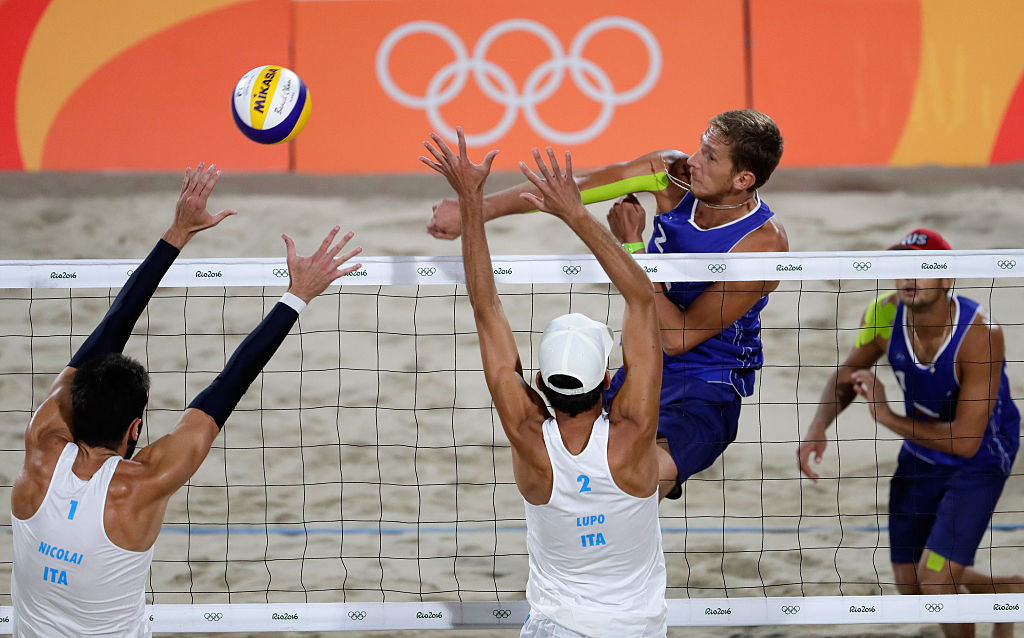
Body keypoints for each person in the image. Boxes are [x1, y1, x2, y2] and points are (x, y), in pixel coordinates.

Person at [10, 163, 362, 637]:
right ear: (135, 429)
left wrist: (177, 233)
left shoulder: (40, 448)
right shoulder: (140, 486)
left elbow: (108, 332)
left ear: (72, 405)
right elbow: (226, 389)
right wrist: (297, 295)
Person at [426, 109, 788, 498]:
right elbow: (571, 191)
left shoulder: (762, 244)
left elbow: (677, 337)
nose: (693, 161)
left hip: (706, 386)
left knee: (627, 490)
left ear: (743, 180)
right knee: (570, 477)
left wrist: (633, 247)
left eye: (711, 157)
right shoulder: (670, 174)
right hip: (642, 364)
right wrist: (475, 211)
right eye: (701, 147)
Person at [420, 128, 669, 637]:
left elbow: (485, 307)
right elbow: (642, 299)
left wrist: (471, 201)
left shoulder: (528, 435)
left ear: (537, 380)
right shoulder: (634, 432)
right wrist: (575, 213)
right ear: (607, 377)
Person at [798, 228, 1022, 638]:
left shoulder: (980, 335)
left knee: (936, 581)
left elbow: (967, 441)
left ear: (946, 278)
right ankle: (1004, 591)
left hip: (980, 458)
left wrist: (885, 416)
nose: (909, 279)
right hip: (921, 452)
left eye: (922, 269)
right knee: (913, 585)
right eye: (901, 269)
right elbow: (846, 375)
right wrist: (817, 428)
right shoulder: (884, 315)